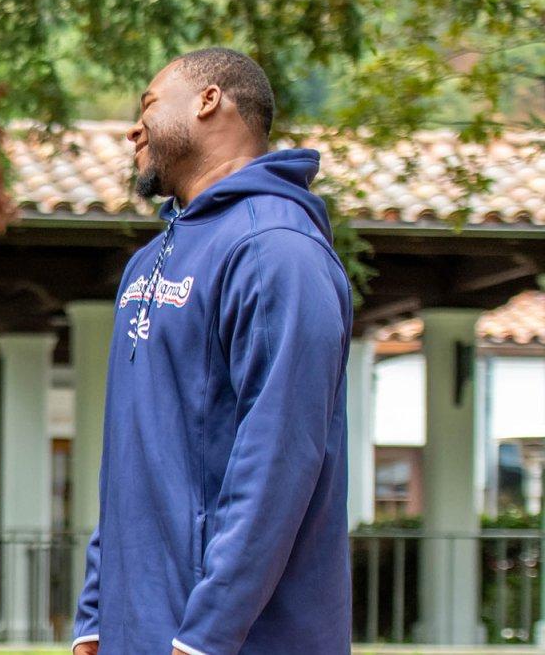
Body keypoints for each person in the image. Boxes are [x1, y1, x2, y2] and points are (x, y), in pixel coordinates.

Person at [72, 48, 352, 654]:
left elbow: (281, 457)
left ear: (208, 100)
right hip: (138, 632)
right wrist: (96, 614)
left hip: (232, 642)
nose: (133, 128)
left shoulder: (277, 250)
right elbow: (131, 457)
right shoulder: (147, 264)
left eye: (148, 104)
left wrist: (208, 634)